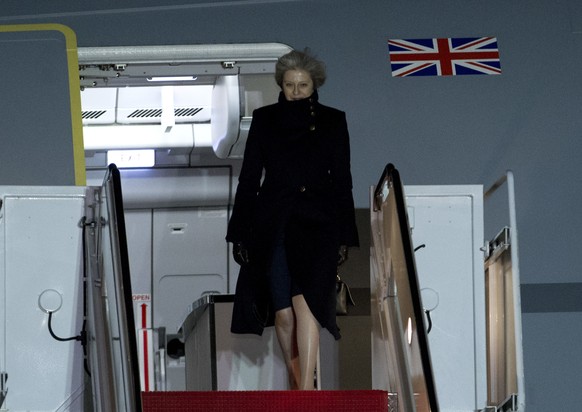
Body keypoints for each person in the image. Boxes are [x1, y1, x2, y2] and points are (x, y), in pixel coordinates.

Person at [226, 49, 359, 390]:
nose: (296, 91)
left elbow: (342, 179)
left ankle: (306, 391)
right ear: (280, 85)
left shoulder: (333, 120)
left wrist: (344, 234)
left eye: (303, 85)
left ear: (315, 85)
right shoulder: (265, 119)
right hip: (274, 224)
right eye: (289, 85)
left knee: (309, 306)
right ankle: (296, 377)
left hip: (318, 225)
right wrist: (239, 233)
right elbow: (249, 178)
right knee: (283, 313)